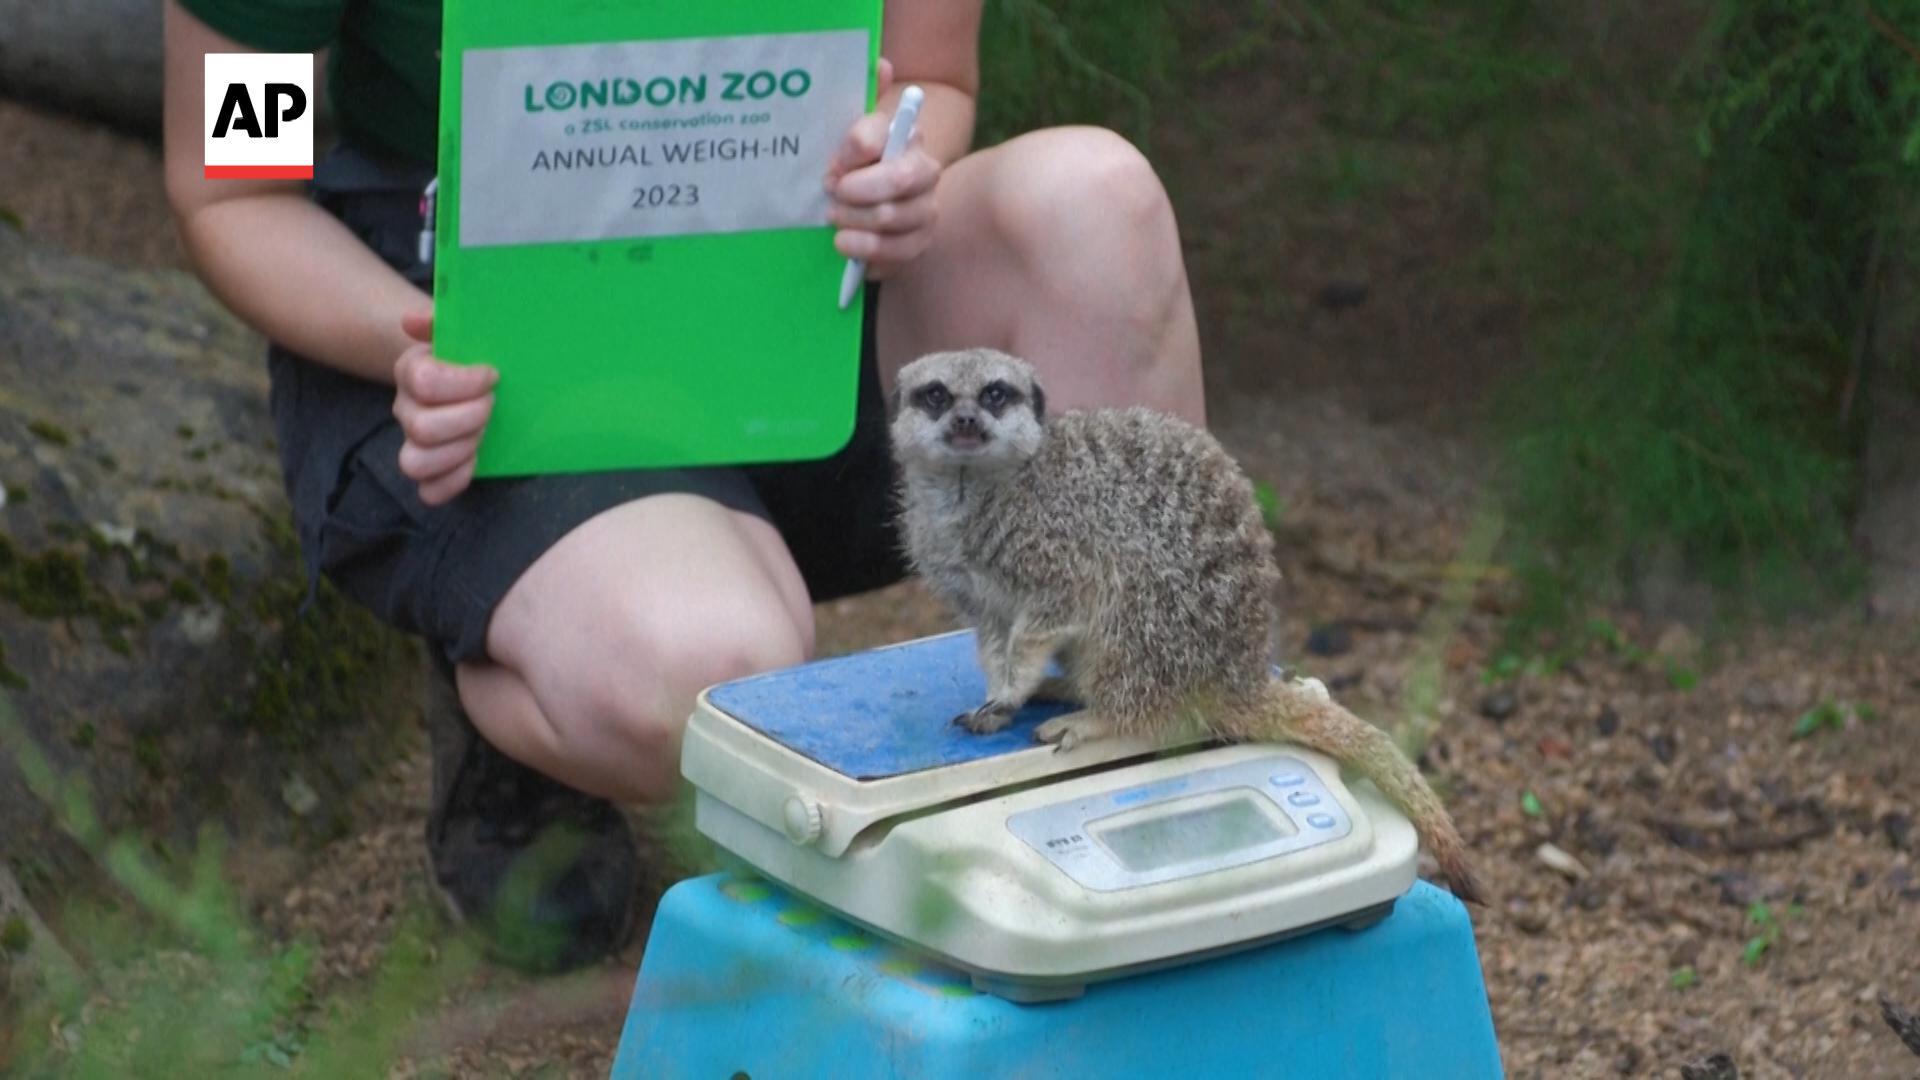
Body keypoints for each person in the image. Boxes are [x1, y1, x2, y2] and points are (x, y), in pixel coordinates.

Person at [162, 0, 1205, 971]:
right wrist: (421, 345)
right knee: (711, 682)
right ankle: (518, 664)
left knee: (1094, 206)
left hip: (803, 285)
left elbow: (930, 80)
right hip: (456, 328)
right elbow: (243, 189)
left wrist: (896, 166)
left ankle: (1115, 793)